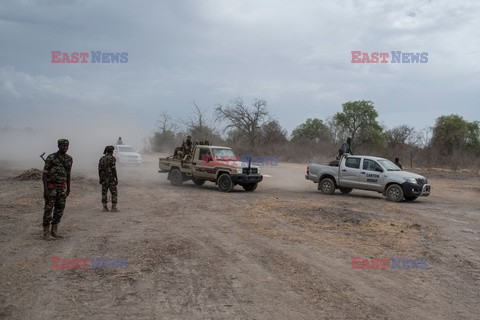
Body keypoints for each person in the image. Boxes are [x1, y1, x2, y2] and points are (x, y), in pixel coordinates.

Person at [42, 139, 73, 240]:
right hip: (51, 187)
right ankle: (46, 232)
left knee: (60, 209)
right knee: (48, 209)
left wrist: (68, 187)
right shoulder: (51, 157)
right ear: (58, 146)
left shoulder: (69, 159)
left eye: (66, 146)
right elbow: (45, 173)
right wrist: (46, 189)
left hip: (62, 187)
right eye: (63, 146)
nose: (65, 148)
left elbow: (68, 174)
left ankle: (54, 231)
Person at [99, 146, 119, 212]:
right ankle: (113, 208)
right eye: (113, 150)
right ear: (111, 151)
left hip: (103, 178)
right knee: (114, 193)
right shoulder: (113, 158)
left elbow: (99, 170)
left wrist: (100, 178)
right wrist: (116, 178)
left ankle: (105, 208)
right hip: (111, 179)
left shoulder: (101, 158)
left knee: (104, 192)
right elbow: (114, 169)